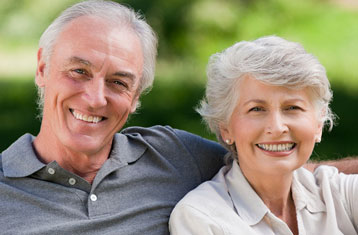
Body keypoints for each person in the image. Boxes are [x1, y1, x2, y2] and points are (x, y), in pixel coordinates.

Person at [0, 1, 226, 234]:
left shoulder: (177, 157)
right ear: (42, 69)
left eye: (118, 83)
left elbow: (261, 170)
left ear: (136, 96)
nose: (96, 99)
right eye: (79, 71)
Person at [169, 36, 358, 234]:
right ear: (225, 128)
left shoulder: (339, 192)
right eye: (257, 109)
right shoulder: (201, 218)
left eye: (292, 107)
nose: (277, 128)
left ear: (318, 124)